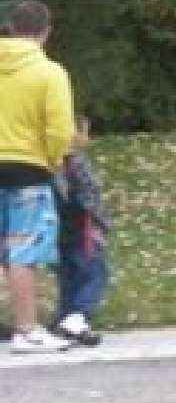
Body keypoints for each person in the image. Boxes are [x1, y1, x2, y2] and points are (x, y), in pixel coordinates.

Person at [0, 0, 75, 353]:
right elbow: (60, 128)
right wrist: (55, 158)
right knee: (23, 251)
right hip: (28, 166)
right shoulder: (49, 72)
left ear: (11, 28)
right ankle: (25, 329)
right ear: (46, 31)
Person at [53, 116, 109, 347]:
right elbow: (88, 194)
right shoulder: (75, 162)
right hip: (82, 225)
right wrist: (100, 223)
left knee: (68, 274)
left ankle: (65, 316)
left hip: (61, 227)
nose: (87, 139)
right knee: (94, 272)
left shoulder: (52, 162)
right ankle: (78, 315)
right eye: (84, 133)